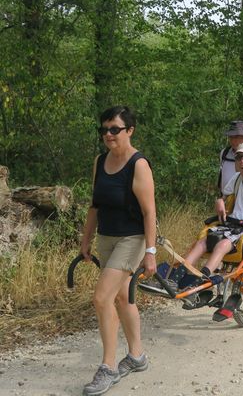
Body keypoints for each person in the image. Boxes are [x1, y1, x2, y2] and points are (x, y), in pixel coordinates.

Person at [139, 142, 243, 316]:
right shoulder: (237, 179)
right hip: (233, 225)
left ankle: (200, 282)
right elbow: (223, 194)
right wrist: (220, 201)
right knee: (202, 242)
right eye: (239, 158)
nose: (242, 161)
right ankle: (173, 278)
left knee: (223, 244)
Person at [80, 106, 157, 396]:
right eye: (104, 130)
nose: (108, 135)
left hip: (132, 239)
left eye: (114, 129)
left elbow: (150, 213)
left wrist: (150, 251)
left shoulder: (138, 164)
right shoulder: (100, 161)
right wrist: (86, 240)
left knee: (102, 298)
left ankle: (108, 366)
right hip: (107, 237)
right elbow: (95, 204)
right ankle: (137, 356)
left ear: (130, 130)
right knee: (123, 296)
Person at [218, 121, 243, 193]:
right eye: (231, 137)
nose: (233, 140)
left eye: (236, 137)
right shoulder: (224, 153)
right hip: (225, 199)